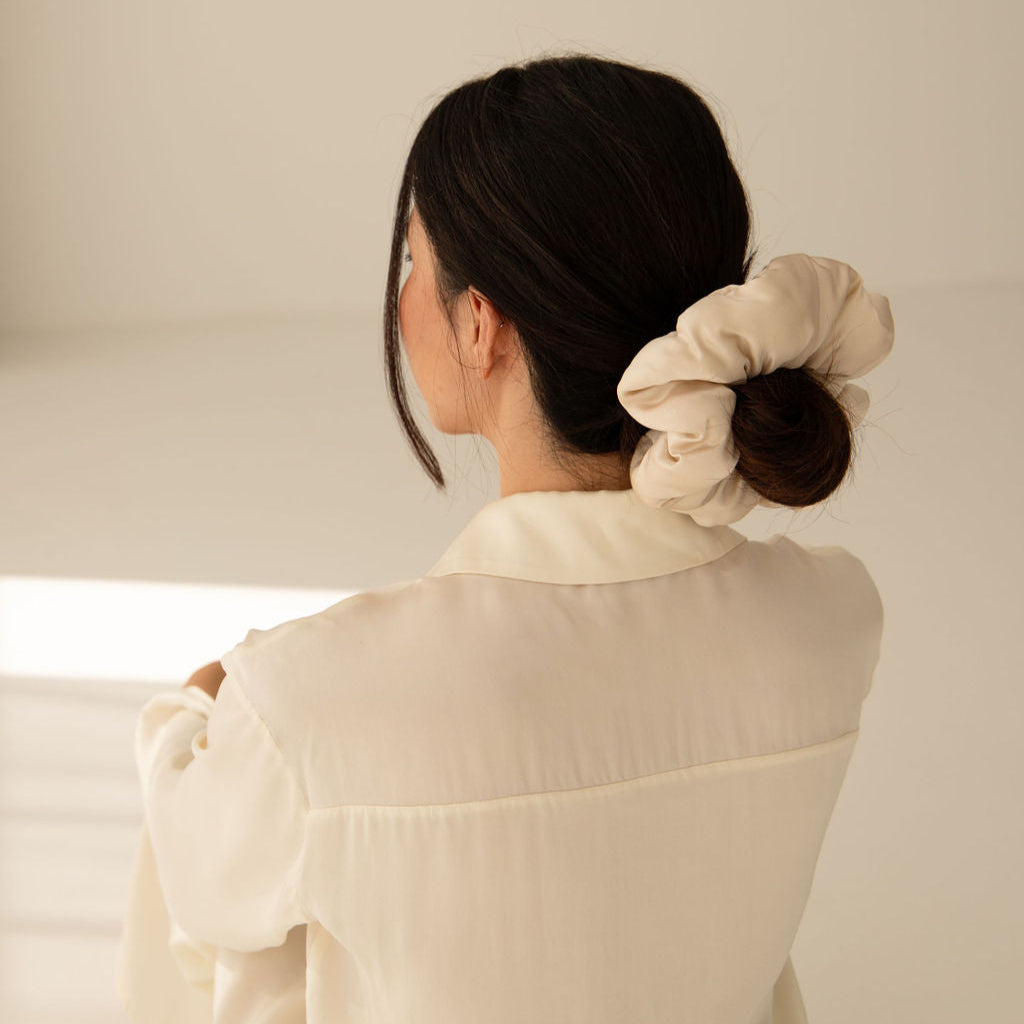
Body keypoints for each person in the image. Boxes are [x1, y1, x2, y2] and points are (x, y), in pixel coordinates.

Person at [117, 53, 893, 1024]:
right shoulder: (829, 617)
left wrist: (190, 718)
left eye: (415, 261)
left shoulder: (311, 700)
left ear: (480, 323)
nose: (404, 297)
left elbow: (200, 877)